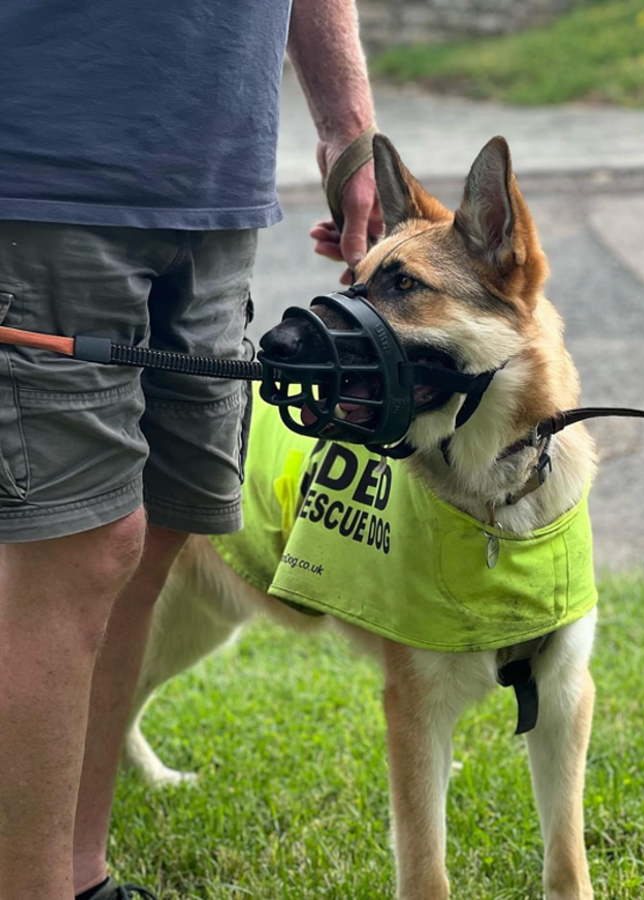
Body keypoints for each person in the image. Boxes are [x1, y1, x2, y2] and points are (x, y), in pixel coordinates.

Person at [0, 2, 382, 898]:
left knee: (157, 534)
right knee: (79, 546)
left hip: (215, 184)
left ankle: (83, 876)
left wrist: (347, 123)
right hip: (40, 179)